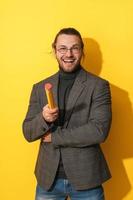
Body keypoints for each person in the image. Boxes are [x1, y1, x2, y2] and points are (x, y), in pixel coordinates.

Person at [22, 27, 112, 200]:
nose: (68, 54)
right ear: (55, 50)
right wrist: (43, 118)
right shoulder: (40, 87)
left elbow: (99, 131)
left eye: (74, 48)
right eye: (62, 48)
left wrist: (54, 137)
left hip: (86, 179)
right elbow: (28, 132)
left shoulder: (98, 86)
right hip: (48, 179)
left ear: (81, 51)